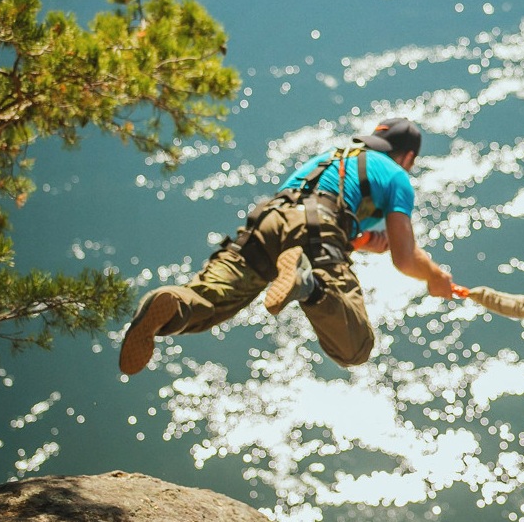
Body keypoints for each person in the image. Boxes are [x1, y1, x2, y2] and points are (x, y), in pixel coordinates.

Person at [119, 117, 454, 376]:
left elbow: (306, 214)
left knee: (211, 300)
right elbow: (405, 257)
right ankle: (307, 285)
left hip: (268, 221)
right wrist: (435, 277)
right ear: (408, 157)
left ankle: (172, 303)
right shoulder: (397, 176)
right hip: (316, 227)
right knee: (355, 346)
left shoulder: (331, 157)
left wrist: (361, 242)